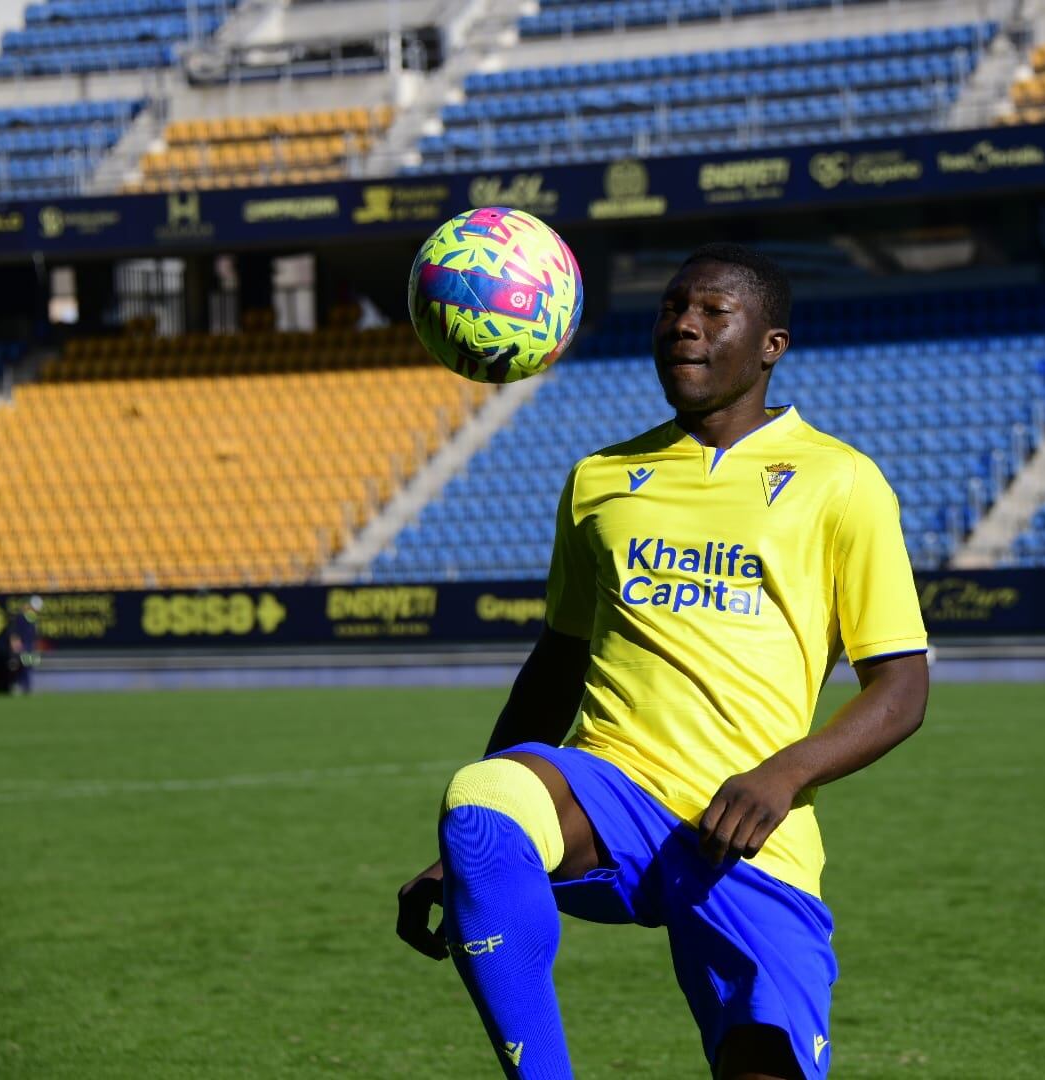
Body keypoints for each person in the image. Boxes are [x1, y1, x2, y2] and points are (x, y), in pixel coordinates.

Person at [396, 244, 930, 1079]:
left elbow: (902, 690)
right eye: (672, 309)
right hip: (613, 801)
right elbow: (558, 664)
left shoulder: (841, 481)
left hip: (749, 831)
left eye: (713, 311)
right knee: (481, 796)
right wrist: (479, 853)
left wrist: (781, 777)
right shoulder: (600, 480)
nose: (684, 324)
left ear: (770, 345)